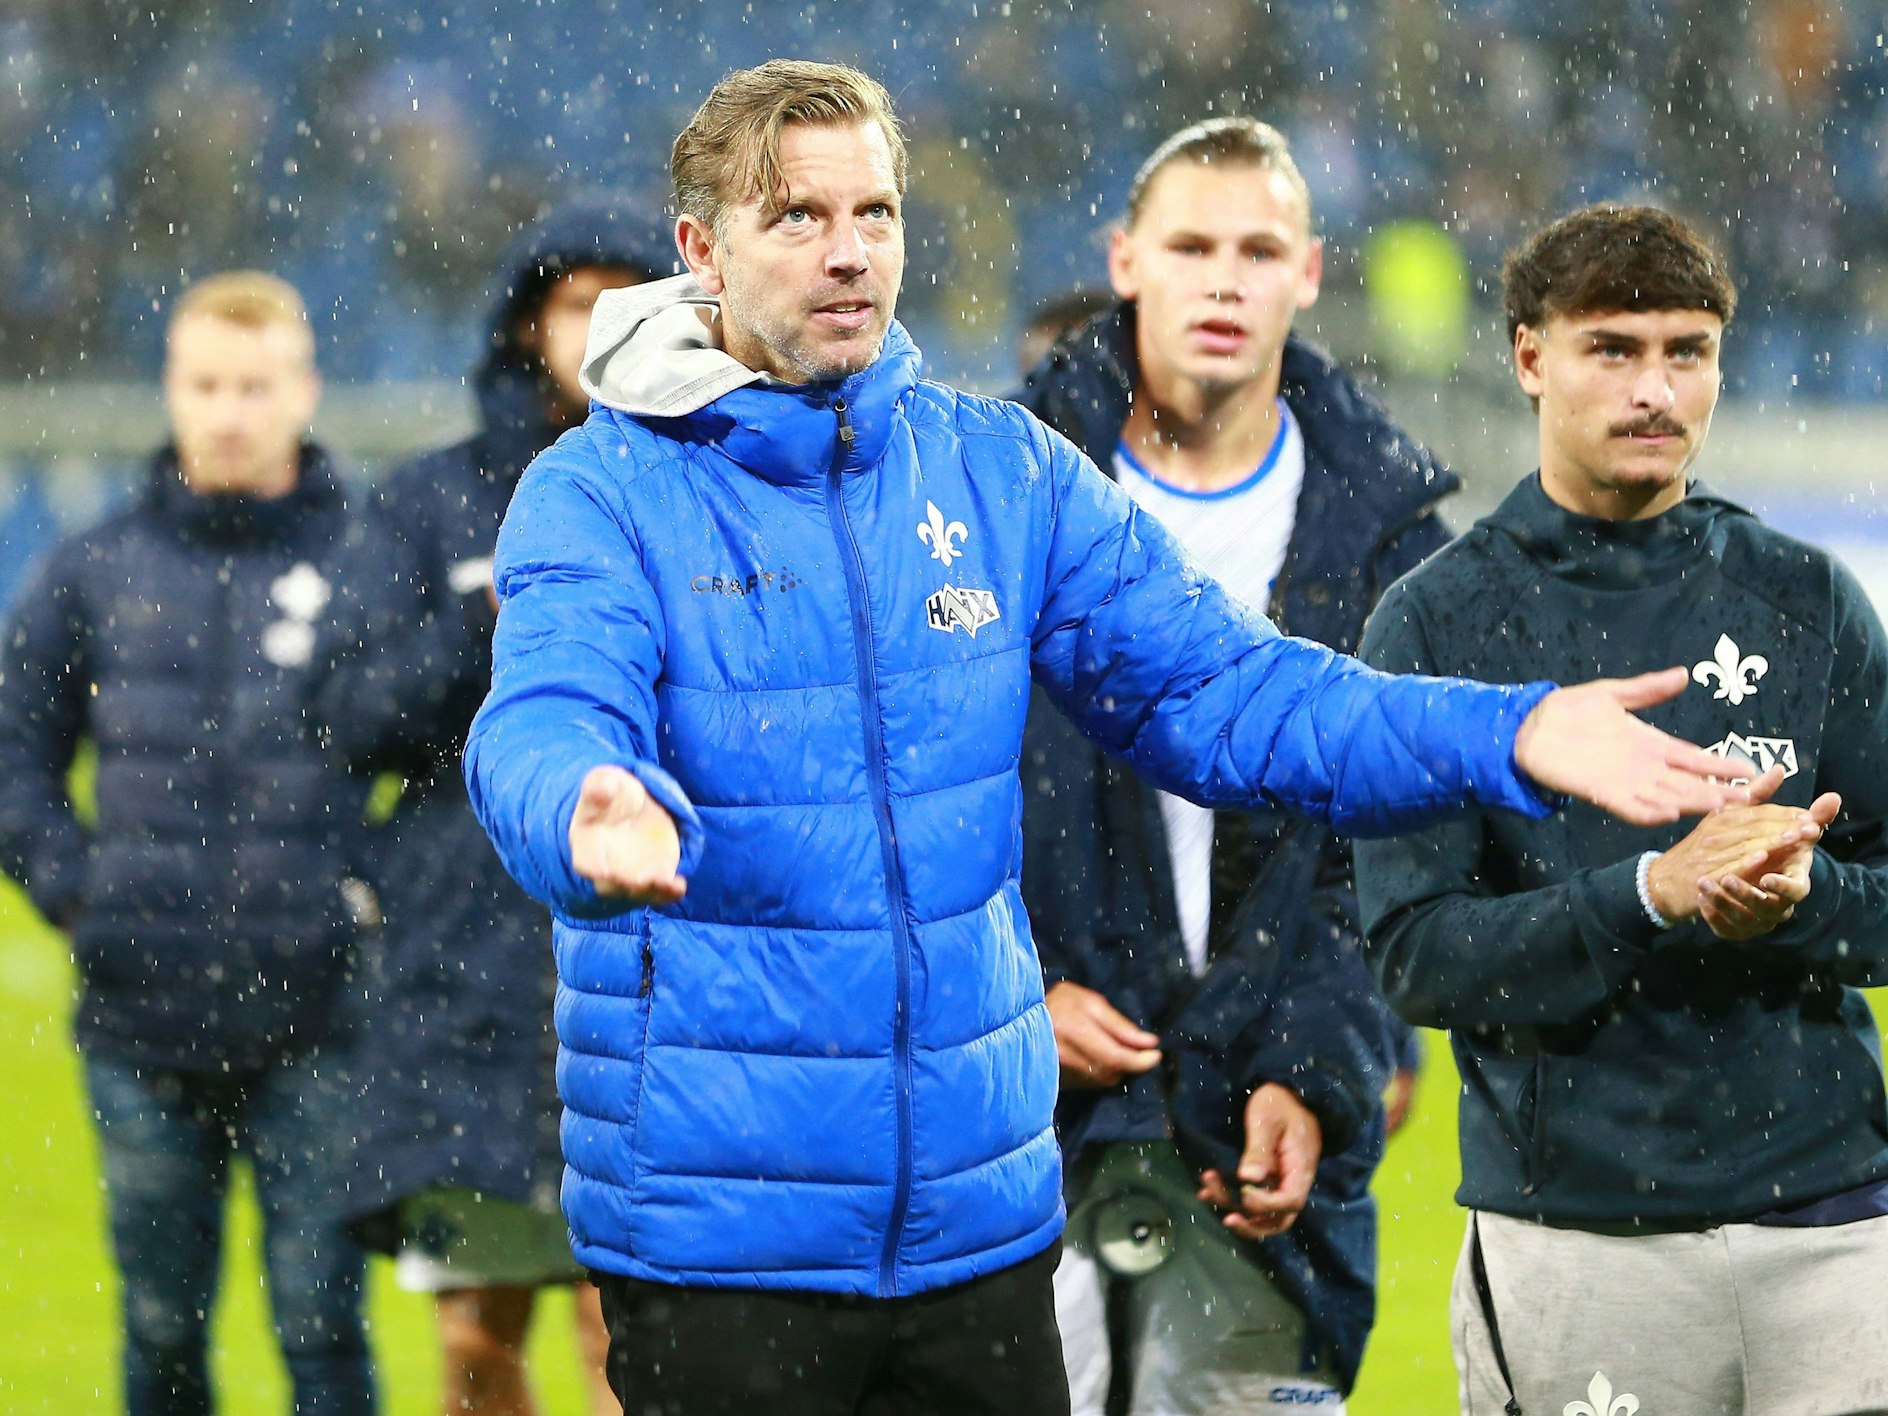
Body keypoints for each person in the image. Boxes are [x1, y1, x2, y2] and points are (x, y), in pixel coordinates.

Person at [461, 61, 1764, 1416]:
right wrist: (584, 802)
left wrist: (1515, 728)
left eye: (877, 213)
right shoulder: (600, 489)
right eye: (795, 217)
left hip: (980, 1235)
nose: (849, 253)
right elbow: (547, 713)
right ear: (699, 250)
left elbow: (1236, 695)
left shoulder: (996, 471)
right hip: (724, 1243)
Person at [1354, 204, 1888, 1414]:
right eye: (1613, 349)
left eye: (1685, 351)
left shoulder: (1807, 601)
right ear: (1529, 356)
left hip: (1834, 1222)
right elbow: (1415, 956)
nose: (1655, 388)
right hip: (1581, 1233)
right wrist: (1650, 895)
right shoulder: (1437, 628)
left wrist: (1801, 905)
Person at [1014, 116, 1440, 1414]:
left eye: (1257, 249)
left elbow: (1396, 858)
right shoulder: (990, 495)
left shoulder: (1392, 540)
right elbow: (905, 797)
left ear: (1308, 273)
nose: (1222, 278)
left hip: (1260, 1158)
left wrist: (1314, 1072)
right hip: (1022, 1135)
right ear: (1125, 258)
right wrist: (1006, 995)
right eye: (1190, 244)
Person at [0, 273, 378, 1415]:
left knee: (323, 1329)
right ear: (170, 389)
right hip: (139, 1018)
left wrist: (370, 895)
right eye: (205, 384)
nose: (227, 412)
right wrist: (79, 892)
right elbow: (14, 747)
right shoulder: (91, 572)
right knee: (161, 1335)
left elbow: (449, 751)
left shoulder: (370, 560)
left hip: (321, 1018)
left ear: (302, 391)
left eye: (253, 387)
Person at [317, 201, 670, 1416]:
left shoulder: (701, 482)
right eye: (579, 300)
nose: (602, 324)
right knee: (474, 1340)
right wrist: (482, 630)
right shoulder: (426, 505)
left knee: (628, 1330)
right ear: (531, 323)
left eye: (631, 296)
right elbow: (346, 715)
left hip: (648, 962)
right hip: (465, 976)